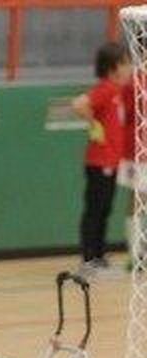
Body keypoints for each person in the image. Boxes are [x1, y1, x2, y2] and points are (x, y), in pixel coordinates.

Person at [71, 42, 133, 278]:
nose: (130, 68)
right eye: (126, 64)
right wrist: (94, 123)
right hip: (99, 163)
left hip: (112, 162)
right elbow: (79, 104)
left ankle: (98, 256)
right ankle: (88, 259)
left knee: (105, 209)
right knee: (95, 210)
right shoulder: (106, 88)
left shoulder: (118, 92)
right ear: (114, 68)